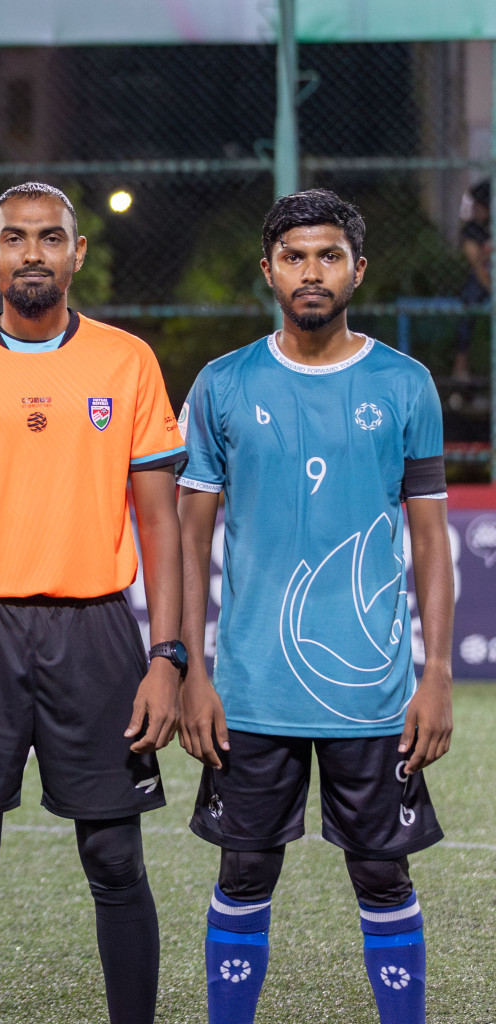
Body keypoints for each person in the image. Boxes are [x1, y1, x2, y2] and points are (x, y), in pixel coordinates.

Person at [0, 181, 186, 1024]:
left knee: (117, 859)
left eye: (51, 238)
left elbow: (161, 524)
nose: (34, 253)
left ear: (77, 254)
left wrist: (170, 658)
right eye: (15, 239)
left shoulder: (127, 362)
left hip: (96, 630)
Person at [176, 189, 453, 1024]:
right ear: (268, 271)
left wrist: (435, 673)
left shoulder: (407, 385)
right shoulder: (223, 384)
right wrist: (190, 669)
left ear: (358, 271)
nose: (311, 271)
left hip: (372, 695)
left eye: (329, 255)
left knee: (383, 875)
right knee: (243, 874)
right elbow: (188, 543)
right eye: (294, 256)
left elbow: (433, 544)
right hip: (253, 688)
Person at [453, 179, 490, 381]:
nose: (475, 209)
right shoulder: (472, 229)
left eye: (479, 205)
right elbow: (477, 265)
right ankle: (461, 364)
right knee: (470, 297)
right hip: (483, 280)